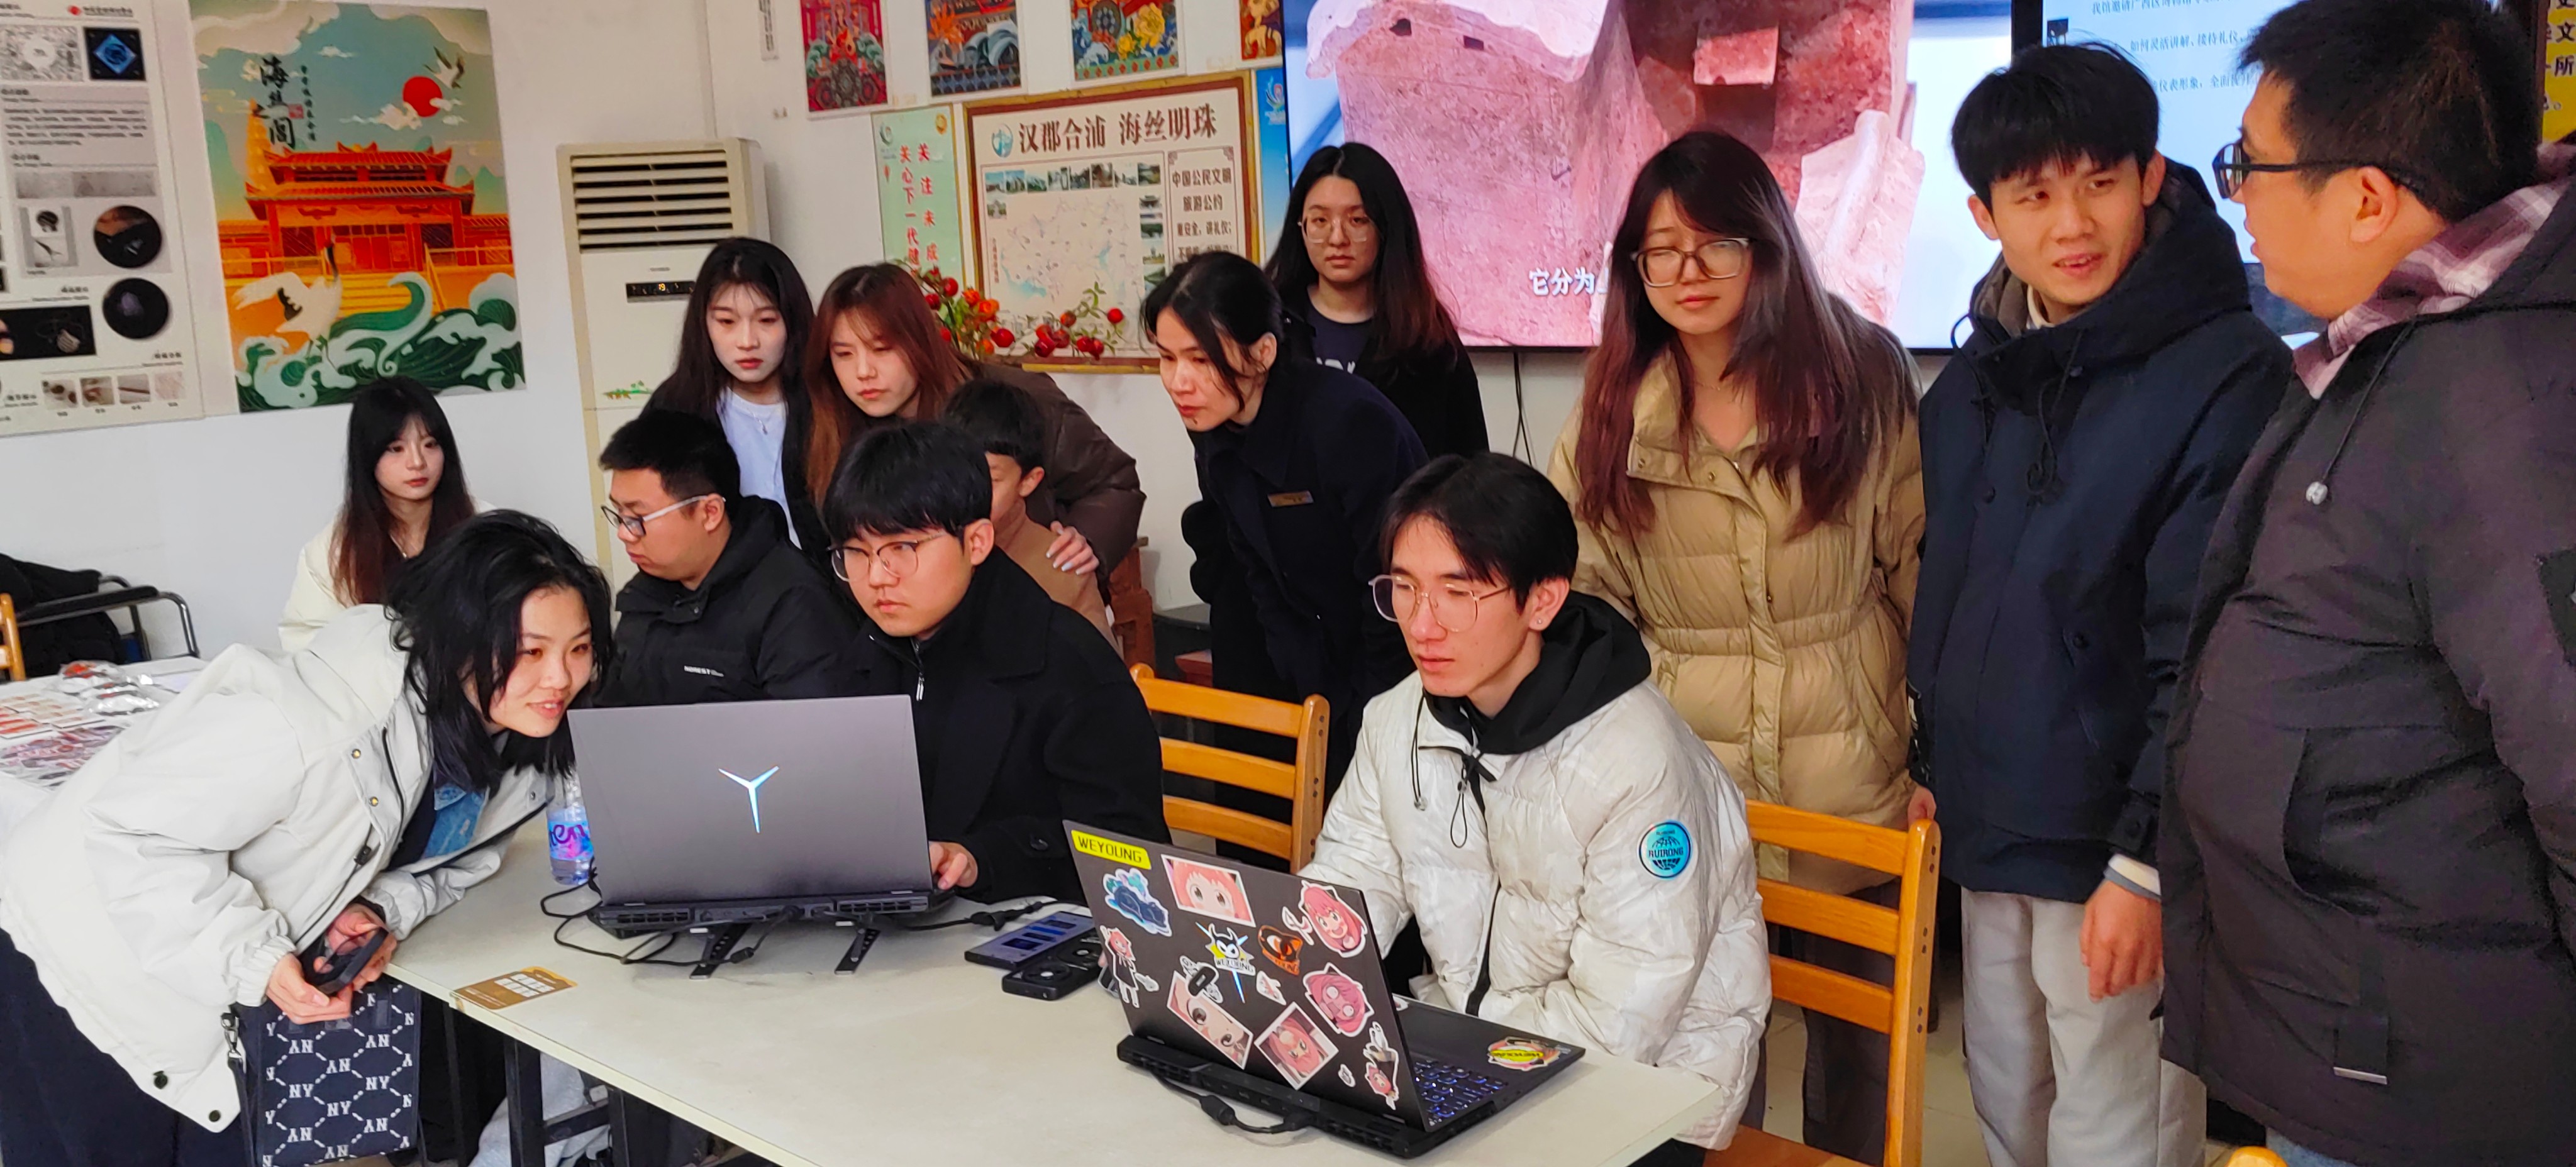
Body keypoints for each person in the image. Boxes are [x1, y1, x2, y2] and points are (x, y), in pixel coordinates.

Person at [2164, 3, 2576, 1165]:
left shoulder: (2498, 403)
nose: (2237, 198)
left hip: (2435, 1080)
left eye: (2249, 164)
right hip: (2360, 1033)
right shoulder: (2407, 344)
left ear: (2365, 198)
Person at [1906, 45, 2291, 1167]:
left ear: (2151, 177)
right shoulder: (1973, 386)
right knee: (2005, 1093)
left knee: (2118, 1121)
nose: (2072, 224)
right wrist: (1933, 759)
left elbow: (2210, 650)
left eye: (2100, 183)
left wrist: (2147, 860)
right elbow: (1954, 596)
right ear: (1985, 216)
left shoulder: (2227, 372)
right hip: (1991, 818)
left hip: (2113, 844)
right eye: (2033, 196)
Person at [0, 512, 610, 1167]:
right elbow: (135, 830)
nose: (560, 677)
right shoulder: (316, 723)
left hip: (200, 970)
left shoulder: (513, 749)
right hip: (81, 959)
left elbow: (457, 862)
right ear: (460, 636)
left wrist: (377, 908)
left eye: (579, 649)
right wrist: (254, 960)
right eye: (530, 651)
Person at [1541, 130, 1919, 1162]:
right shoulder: (1615, 404)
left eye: (1716, 243)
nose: (1688, 271)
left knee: (1859, 1064)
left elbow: (1918, 567)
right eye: (1661, 250)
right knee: (1706, 1060)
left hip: (1852, 776)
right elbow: (1582, 602)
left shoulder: (1860, 374)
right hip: (1691, 793)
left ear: (1767, 246)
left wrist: (1931, 755)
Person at [1300, 453, 1767, 1161]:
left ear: (1542, 600)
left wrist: (1457, 1050)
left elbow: (1622, 1021)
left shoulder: (1638, 761)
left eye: (1458, 593)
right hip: (1476, 1049)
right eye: (1404, 588)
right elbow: (1351, 879)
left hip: (1649, 1091)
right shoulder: (1397, 719)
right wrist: (1289, 970)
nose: (1422, 625)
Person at [824, 423, 1166, 903]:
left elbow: (1128, 852)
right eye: (856, 553)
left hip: (1030, 925)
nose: (878, 577)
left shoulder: (1068, 665)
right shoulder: (868, 651)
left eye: (902, 548)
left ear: (978, 542)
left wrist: (982, 859)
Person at [1153, 250, 1427, 792]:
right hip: (1302, 658)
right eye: (1166, 358)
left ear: (1263, 352)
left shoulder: (1347, 423)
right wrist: (1302, 679)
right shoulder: (1213, 423)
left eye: (1201, 360)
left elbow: (1393, 585)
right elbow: (1253, 560)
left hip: (1391, 655)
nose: (1180, 382)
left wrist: (1366, 714)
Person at [804, 263, 1143, 580]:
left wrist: (1086, 538)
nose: (863, 372)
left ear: (920, 341)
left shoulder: (1012, 397)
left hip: (1029, 593)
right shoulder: (833, 427)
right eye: (844, 354)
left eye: (882, 350)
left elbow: (1115, 482)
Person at [592, 410, 865, 705]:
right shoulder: (646, 593)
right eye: (620, 515)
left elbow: (809, 727)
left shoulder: (793, 603)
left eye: (638, 518)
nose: (625, 533)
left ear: (709, 513)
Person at [1265, 142, 1486, 458]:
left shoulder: (1429, 343)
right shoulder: (1269, 330)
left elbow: (1470, 465)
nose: (1337, 238)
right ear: (1300, 228)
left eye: (1357, 220)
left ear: (1386, 228)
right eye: (1320, 221)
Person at [647, 237, 823, 552]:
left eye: (767, 320)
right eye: (727, 321)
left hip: (823, 579)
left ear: (793, 322)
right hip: (723, 582)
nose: (747, 341)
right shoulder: (676, 407)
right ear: (704, 324)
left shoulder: (827, 399)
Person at [280, 377, 475, 651]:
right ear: (368, 456)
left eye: (430, 444)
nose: (417, 462)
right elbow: (307, 645)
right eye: (396, 449)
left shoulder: (487, 527)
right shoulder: (332, 551)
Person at [943, 379, 1115, 643]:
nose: (968, 491)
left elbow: (1095, 665)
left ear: (1028, 481)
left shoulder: (1062, 567)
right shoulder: (920, 549)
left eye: (990, 480)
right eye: (954, 473)